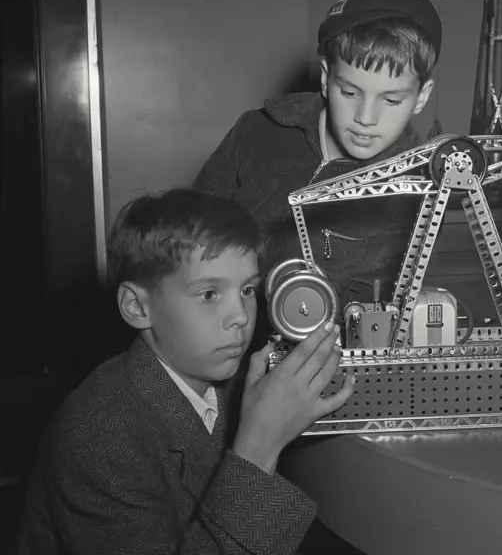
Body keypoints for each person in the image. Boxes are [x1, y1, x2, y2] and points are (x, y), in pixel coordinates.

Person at [12, 188, 354, 555]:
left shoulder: (225, 387)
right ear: (136, 307)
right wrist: (258, 445)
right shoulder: (98, 437)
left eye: (248, 290)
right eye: (209, 294)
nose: (240, 315)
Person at [194, 0, 442, 343]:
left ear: (421, 98)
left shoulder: (418, 191)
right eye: (350, 92)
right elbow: (192, 241)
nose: (366, 118)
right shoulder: (257, 132)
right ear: (326, 79)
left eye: (391, 101)